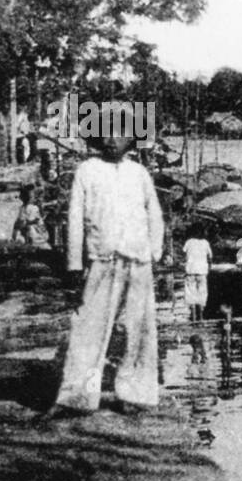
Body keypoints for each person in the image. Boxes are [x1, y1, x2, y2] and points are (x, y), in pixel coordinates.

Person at [50, 130, 164, 416]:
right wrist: (74, 265)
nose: (113, 140)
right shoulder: (87, 171)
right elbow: (75, 219)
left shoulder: (139, 173)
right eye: (107, 134)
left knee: (139, 330)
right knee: (87, 328)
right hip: (101, 258)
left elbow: (154, 215)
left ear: (132, 140)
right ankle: (77, 397)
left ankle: (135, 395)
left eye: (121, 134)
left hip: (138, 259)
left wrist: (155, 253)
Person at [182, 222, 212, 322]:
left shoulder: (189, 242)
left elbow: (184, 255)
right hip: (202, 271)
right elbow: (210, 257)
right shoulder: (205, 243)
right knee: (202, 294)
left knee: (191, 294)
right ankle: (201, 318)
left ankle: (194, 318)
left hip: (190, 271)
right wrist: (209, 267)